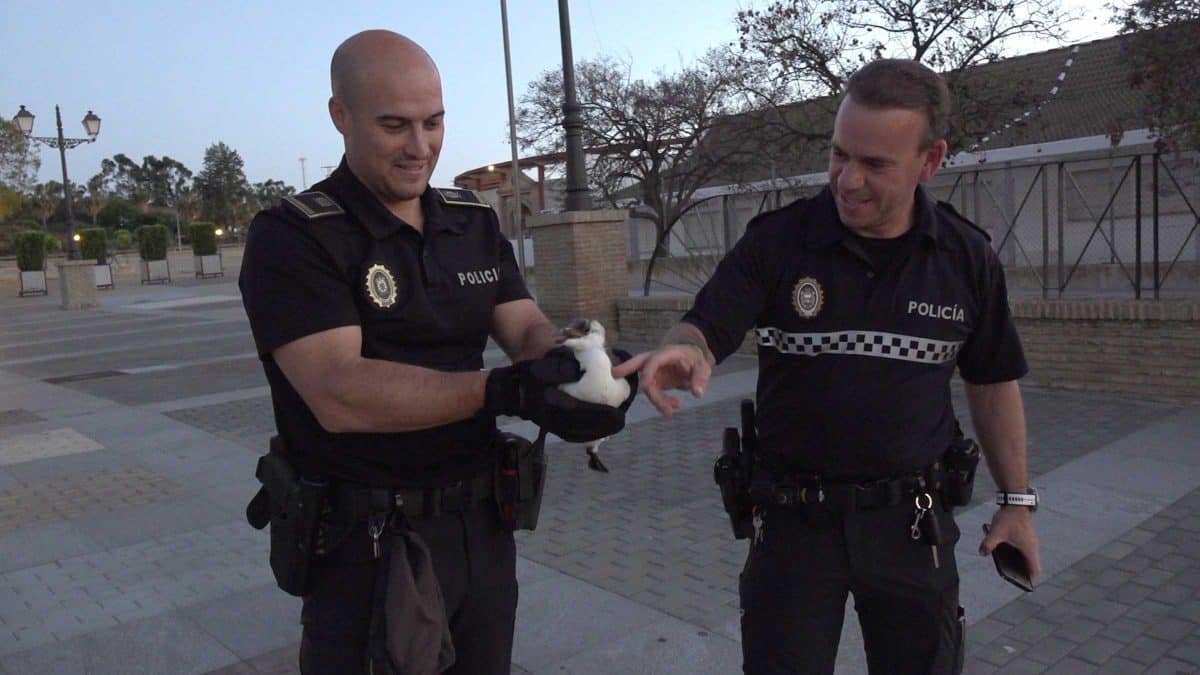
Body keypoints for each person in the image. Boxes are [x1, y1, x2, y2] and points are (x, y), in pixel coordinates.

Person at [614, 59, 1041, 675]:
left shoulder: (964, 258)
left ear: (930, 160)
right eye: (840, 155)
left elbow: (993, 381)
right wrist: (689, 347)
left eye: (874, 164)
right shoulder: (778, 241)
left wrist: (1018, 503)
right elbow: (708, 322)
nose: (847, 180)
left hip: (911, 527)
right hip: (793, 527)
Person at [239, 30, 629, 674]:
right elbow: (339, 391)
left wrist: (582, 367)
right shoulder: (295, 237)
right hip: (365, 544)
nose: (420, 148)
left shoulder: (469, 220)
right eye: (394, 126)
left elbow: (525, 325)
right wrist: (505, 391)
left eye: (433, 122)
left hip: (481, 530)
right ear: (341, 116)